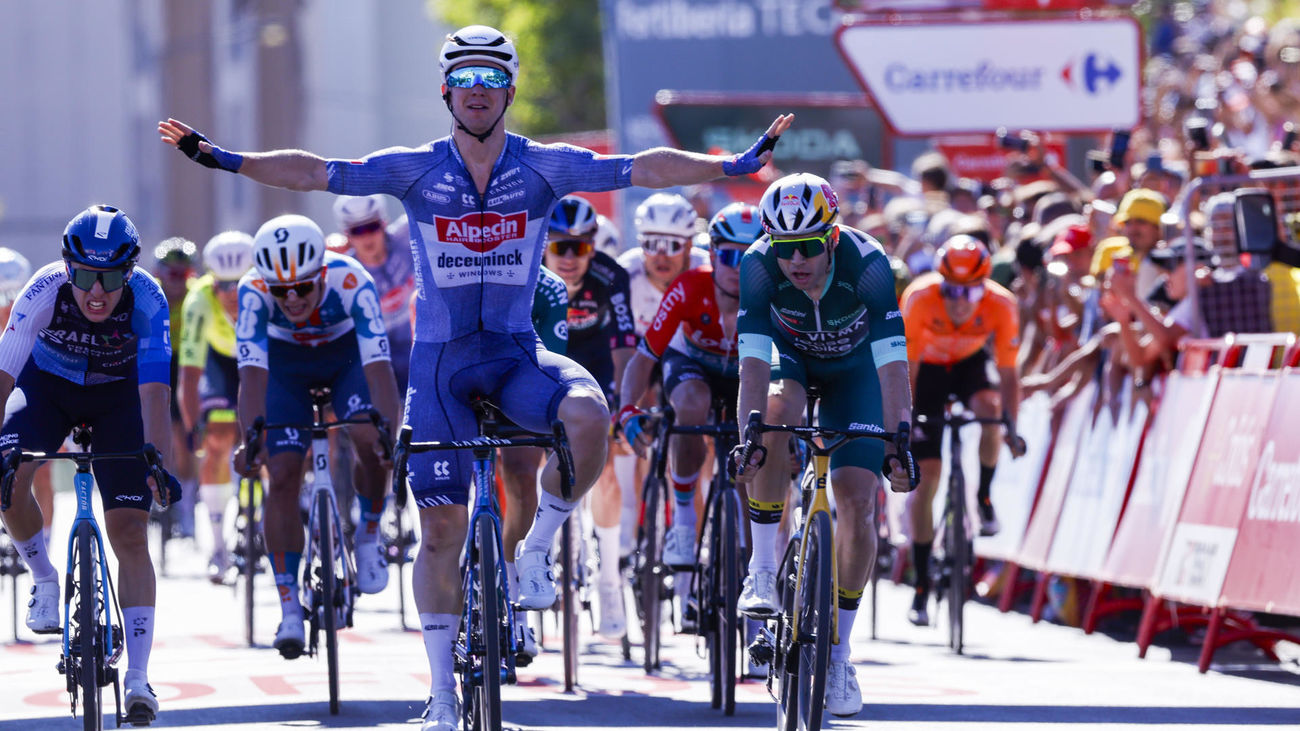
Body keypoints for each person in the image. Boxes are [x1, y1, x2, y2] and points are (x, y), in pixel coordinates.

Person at [159, 23, 790, 729]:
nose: (480, 92)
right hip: (440, 365)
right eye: (467, 81)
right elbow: (314, 170)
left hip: (518, 353)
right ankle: (443, 694)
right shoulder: (413, 168)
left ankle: (536, 552)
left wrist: (733, 163)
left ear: (511, 91)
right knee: (438, 530)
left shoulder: (546, 165)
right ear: (446, 92)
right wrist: (221, 158)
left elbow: (644, 167)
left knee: (588, 414)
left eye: (493, 81)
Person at [732, 173, 914, 718]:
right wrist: (750, 436)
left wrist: (899, 440)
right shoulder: (758, 265)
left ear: (832, 237)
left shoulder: (870, 263)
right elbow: (753, 363)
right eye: (786, 249)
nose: (797, 261)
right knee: (774, 415)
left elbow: (892, 363)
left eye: (809, 246)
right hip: (791, 362)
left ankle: (838, 655)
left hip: (856, 372)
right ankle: (763, 570)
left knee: (857, 499)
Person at [0, 205, 180, 723]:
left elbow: (154, 390)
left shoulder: (148, 298)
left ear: (129, 271)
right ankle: (45, 577)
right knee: (7, 475)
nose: (95, 292)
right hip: (47, 390)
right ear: (66, 267)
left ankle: (140, 678)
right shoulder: (43, 288)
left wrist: (158, 462)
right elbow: (6, 373)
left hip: (119, 400)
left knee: (129, 533)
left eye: (108, 278)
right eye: (83, 276)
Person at [231, 214, 402, 660]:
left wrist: (389, 432)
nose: (290, 299)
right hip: (284, 369)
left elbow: (379, 369)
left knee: (370, 437)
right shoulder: (251, 291)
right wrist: (250, 440)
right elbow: (251, 378)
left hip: (345, 362)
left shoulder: (352, 280)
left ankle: (367, 535)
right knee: (282, 473)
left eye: (302, 288)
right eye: (280, 290)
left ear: (321, 274)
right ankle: (289, 606)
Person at [617, 201, 761, 632]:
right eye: (728, 255)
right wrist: (627, 409)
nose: (737, 267)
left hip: (745, 373)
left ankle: (755, 606)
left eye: (749, 256)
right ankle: (682, 518)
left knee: (748, 472)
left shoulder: (772, 293)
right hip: (692, 363)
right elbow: (644, 360)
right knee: (691, 405)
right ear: (712, 254)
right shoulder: (687, 286)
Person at [899, 234, 1025, 627]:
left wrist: (1010, 427)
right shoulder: (920, 298)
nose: (957, 302)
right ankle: (920, 585)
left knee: (989, 410)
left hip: (970, 364)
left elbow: (1008, 373)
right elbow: (909, 374)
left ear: (984, 287)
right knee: (927, 480)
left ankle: (984, 497)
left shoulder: (1002, 304)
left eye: (969, 294)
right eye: (950, 290)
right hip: (928, 373)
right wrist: (905, 426)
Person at [541, 195, 636, 639]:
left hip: (595, 371)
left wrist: (619, 403)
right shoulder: (530, 277)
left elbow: (623, 347)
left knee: (608, 467)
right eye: (561, 247)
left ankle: (610, 580)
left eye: (581, 248)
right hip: (544, 368)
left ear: (594, 247)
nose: (571, 258)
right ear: (545, 246)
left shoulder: (610, 276)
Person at [613, 193, 710, 559]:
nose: (662, 254)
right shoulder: (625, 273)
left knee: (701, 432)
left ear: (689, 245)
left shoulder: (706, 269)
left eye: (672, 245)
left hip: (688, 357)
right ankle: (631, 518)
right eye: (651, 244)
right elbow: (620, 350)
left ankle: (698, 524)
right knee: (632, 419)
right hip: (639, 356)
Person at [177, 231, 255, 583]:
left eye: (240, 284)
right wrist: (195, 430)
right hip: (220, 363)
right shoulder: (199, 300)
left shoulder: (266, 291)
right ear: (211, 282)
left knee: (265, 435)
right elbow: (189, 378)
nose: (232, 294)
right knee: (217, 439)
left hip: (258, 361)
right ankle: (218, 545)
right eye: (223, 286)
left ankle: (260, 513)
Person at [332, 194, 416, 394]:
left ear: (384, 224)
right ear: (347, 236)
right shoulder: (344, 270)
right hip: (378, 358)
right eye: (357, 231)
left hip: (418, 349)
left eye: (371, 227)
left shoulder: (405, 238)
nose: (366, 236)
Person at [152, 236, 200, 538]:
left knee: (184, 435)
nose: (178, 282)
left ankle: (187, 507)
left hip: (187, 362)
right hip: (155, 360)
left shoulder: (196, 296)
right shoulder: (150, 293)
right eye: (172, 275)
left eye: (184, 276)